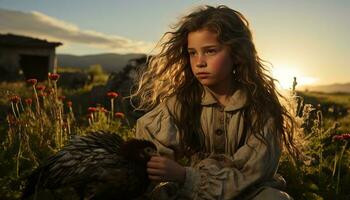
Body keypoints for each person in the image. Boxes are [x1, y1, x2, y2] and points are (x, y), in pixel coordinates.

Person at [131, 5, 298, 200]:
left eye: (210, 51)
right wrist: (158, 164)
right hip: (194, 194)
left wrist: (186, 176)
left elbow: (252, 172)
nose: (199, 62)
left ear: (236, 54)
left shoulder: (261, 107)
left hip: (249, 192)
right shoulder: (183, 101)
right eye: (193, 53)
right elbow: (152, 146)